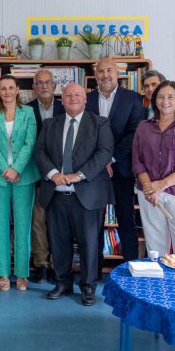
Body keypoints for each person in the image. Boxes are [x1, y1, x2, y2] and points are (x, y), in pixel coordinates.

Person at [35, 83, 113, 306]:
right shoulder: (50, 124)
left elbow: (105, 152)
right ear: (62, 99)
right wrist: (52, 174)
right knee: (59, 243)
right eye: (68, 95)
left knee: (89, 244)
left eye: (77, 95)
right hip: (57, 194)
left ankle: (88, 287)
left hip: (87, 195)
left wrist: (78, 175)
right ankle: (62, 282)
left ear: (86, 99)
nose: (72, 98)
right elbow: (39, 152)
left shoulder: (100, 123)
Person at [132, 81, 175, 257]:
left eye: (171, 96)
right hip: (149, 194)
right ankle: (159, 284)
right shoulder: (143, 127)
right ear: (155, 100)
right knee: (155, 248)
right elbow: (137, 160)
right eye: (161, 96)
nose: (165, 101)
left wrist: (160, 185)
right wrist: (150, 187)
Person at [86, 58, 145, 262]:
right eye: (101, 71)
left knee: (126, 220)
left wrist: (110, 158)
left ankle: (130, 267)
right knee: (94, 223)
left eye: (109, 70)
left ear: (118, 73)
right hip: (94, 172)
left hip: (121, 169)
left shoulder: (134, 99)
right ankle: (94, 271)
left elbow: (134, 133)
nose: (105, 75)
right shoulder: (87, 99)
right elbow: (84, 135)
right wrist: (99, 161)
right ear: (96, 75)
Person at [0, 75, 40, 291]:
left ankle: (22, 274)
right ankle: (3, 273)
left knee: (23, 226)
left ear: (17, 90)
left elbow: (30, 142)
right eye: (3, 88)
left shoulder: (28, 113)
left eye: (11, 88)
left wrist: (16, 168)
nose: (7, 92)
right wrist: (5, 169)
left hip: (23, 175)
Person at [26, 69, 64, 283]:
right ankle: (41, 265)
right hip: (36, 173)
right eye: (39, 83)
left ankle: (57, 265)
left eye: (47, 82)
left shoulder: (64, 106)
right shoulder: (26, 109)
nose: (44, 86)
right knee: (38, 222)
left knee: (58, 223)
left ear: (54, 85)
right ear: (34, 86)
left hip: (61, 175)